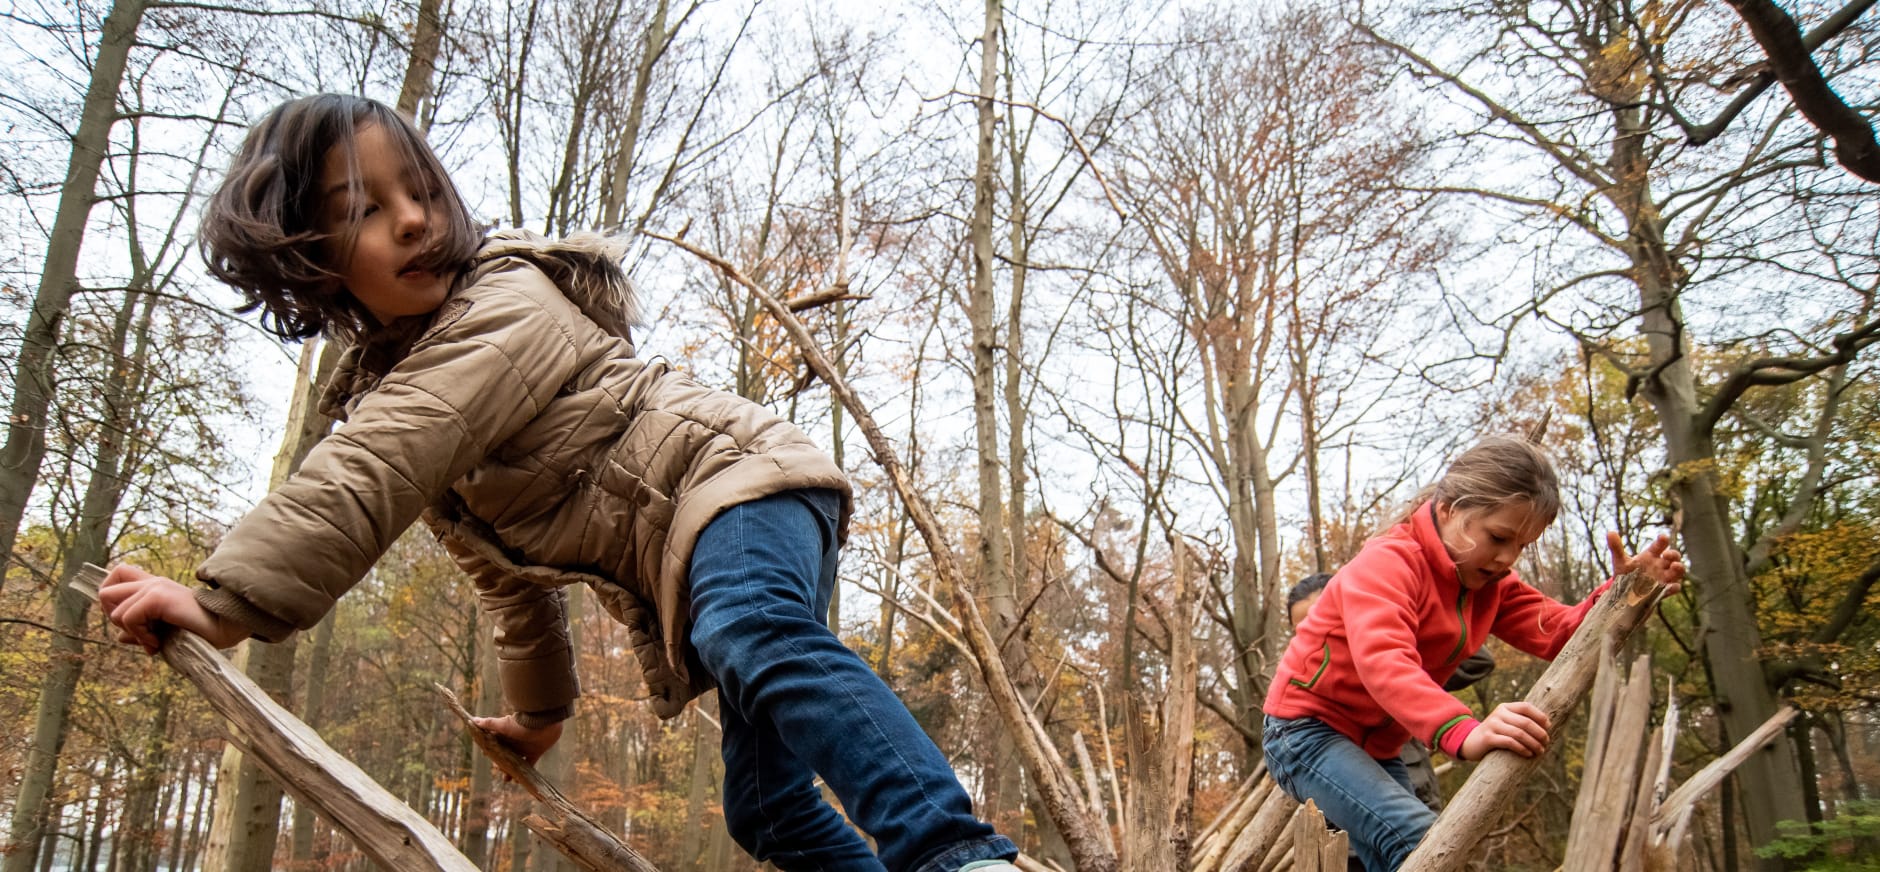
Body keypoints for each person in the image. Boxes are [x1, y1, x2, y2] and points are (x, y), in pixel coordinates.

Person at [97, 93, 1020, 872]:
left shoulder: (502, 307)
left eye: (421, 192)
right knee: (766, 810)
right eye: (364, 209)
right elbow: (509, 584)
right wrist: (541, 714)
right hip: (710, 531)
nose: (413, 218)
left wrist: (224, 600)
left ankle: (955, 853)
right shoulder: (421, 407)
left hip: (737, 485)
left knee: (744, 627)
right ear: (306, 252)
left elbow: (373, 464)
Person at [1263, 436, 1685, 871]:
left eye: (1522, 545)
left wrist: (1621, 594)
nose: (1507, 558)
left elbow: (1558, 633)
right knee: (1422, 840)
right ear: (1449, 508)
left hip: (1379, 748)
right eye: (1498, 537)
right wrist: (1463, 730)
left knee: (1397, 857)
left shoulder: (1490, 583)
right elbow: (1383, 660)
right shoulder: (1389, 563)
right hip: (1305, 733)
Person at [1286, 573, 1496, 814]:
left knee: (1423, 842)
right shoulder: (1302, 688)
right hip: (1347, 800)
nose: (1320, 632)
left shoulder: (1396, 650)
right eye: (1303, 629)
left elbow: (1478, 661)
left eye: (1325, 617)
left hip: (1410, 781)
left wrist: (1401, 677)